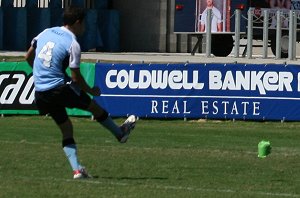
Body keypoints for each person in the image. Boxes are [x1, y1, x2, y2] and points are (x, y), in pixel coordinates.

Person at [25, 6, 137, 179]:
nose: (85, 28)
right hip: (58, 89)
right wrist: (92, 90)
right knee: (93, 107)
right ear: (78, 23)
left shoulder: (45, 32)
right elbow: (76, 78)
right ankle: (119, 133)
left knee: (66, 129)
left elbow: (28, 56)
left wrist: (40, 72)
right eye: (84, 24)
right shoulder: (73, 43)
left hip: (41, 92)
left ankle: (77, 170)